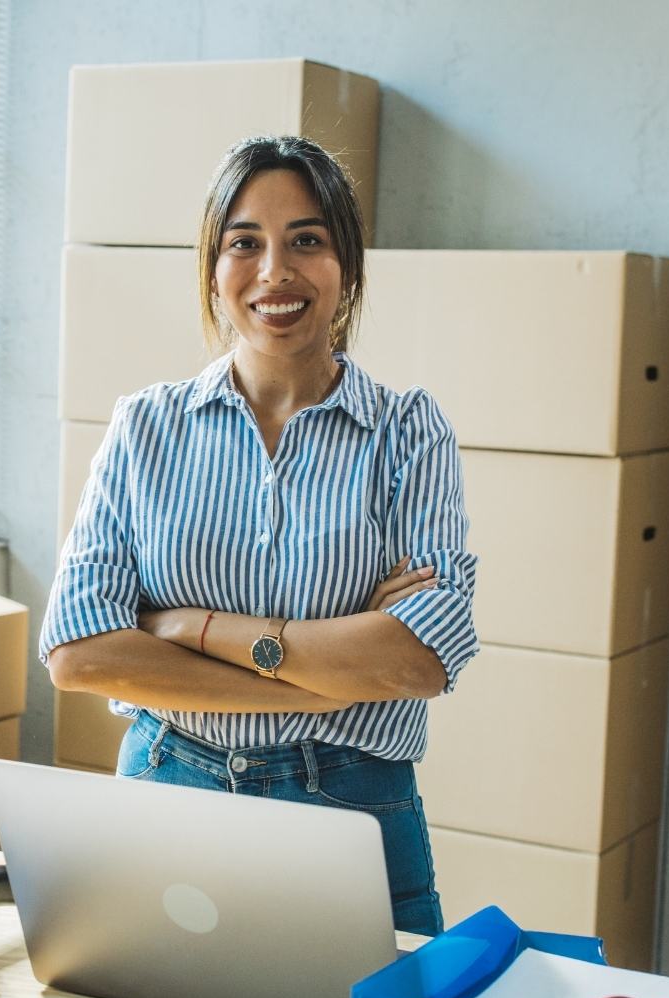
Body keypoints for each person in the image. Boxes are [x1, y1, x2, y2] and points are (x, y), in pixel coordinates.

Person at [39, 134, 478, 936]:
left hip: (351, 807)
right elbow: (78, 652)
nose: (275, 271)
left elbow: (419, 659)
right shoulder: (149, 428)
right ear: (213, 269)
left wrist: (189, 631)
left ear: (345, 266)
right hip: (171, 789)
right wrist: (335, 674)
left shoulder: (409, 432)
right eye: (246, 243)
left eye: (306, 241)